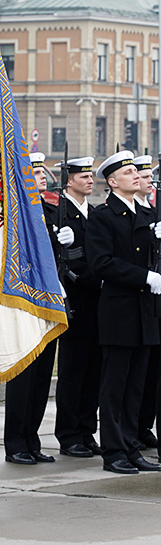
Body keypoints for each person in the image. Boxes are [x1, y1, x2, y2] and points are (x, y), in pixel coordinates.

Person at [86, 150, 161, 474]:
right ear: (113, 181)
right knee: (115, 387)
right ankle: (114, 450)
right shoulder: (104, 216)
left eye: (136, 171)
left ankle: (131, 447)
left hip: (145, 313)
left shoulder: (142, 214)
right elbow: (101, 263)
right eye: (128, 172)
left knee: (136, 386)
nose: (136, 175)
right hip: (120, 313)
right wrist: (144, 276)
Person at [4, 152, 74, 465]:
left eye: (43, 171)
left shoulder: (47, 211)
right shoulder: (16, 214)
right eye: (34, 171)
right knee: (25, 376)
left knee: (43, 375)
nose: (42, 175)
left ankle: (31, 439)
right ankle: (15, 442)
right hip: (26, 302)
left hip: (50, 301)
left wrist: (63, 243)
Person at [54, 157, 102, 458]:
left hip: (96, 304)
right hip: (74, 302)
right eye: (83, 175)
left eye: (90, 175)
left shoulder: (92, 213)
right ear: (69, 180)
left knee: (93, 373)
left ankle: (86, 430)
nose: (89, 180)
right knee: (72, 373)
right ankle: (69, 434)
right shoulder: (62, 213)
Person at [132, 155, 159, 450]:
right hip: (135, 302)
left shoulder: (151, 210)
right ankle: (133, 429)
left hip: (154, 304)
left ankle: (143, 425)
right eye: (140, 175)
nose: (147, 179)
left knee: (149, 373)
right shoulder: (127, 213)